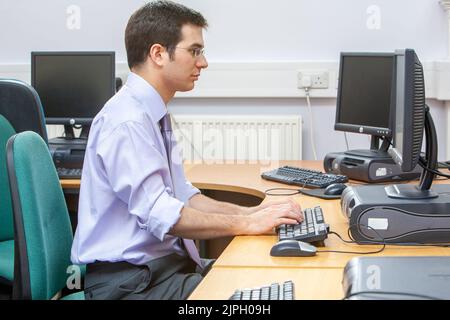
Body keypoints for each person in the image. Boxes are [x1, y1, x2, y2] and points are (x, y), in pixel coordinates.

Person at [70, 0, 303, 300]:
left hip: (160, 271)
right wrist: (247, 223)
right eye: (194, 51)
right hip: (130, 286)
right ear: (158, 54)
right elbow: (166, 216)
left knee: (266, 276)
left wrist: (254, 212)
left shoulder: (152, 113)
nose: (203, 62)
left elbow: (184, 196)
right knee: (256, 302)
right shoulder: (127, 122)